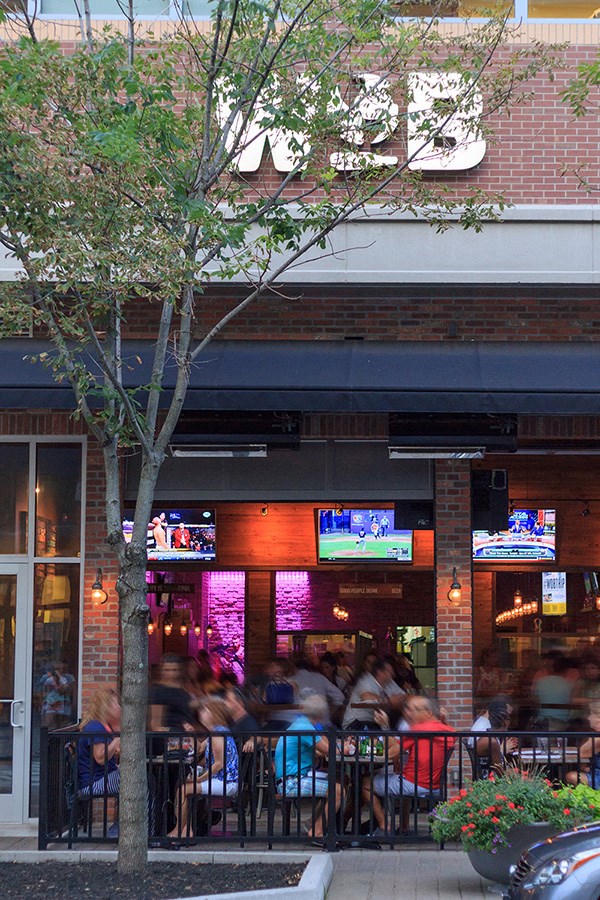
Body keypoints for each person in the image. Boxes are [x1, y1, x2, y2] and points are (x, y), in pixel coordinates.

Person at [363, 695, 456, 835]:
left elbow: (391, 753)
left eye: (413, 709)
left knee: (365, 782)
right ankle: (404, 826)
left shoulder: (419, 730)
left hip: (414, 784)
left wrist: (384, 726)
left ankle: (384, 826)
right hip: (436, 785)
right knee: (399, 775)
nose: (407, 713)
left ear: (428, 713)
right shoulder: (447, 730)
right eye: (407, 709)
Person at [274, 691, 351, 841]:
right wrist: (347, 747)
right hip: (291, 782)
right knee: (336, 790)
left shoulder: (303, 724)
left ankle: (313, 823)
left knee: (342, 778)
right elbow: (329, 750)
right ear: (322, 714)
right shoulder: (306, 728)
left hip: (293, 776)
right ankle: (317, 831)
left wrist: (343, 745)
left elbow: (324, 747)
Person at [168, 696, 239, 839]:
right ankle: (186, 829)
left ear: (214, 713)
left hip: (226, 782)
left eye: (205, 711)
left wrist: (199, 779)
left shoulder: (218, 733)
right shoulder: (215, 732)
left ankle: (179, 830)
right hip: (221, 779)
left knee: (183, 790)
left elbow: (219, 764)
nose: (201, 714)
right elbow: (199, 749)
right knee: (183, 788)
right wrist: (191, 734)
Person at [77, 687, 121, 798]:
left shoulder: (103, 726)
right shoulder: (96, 727)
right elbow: (100, 758)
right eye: (116, 704)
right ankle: (146, 815)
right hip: (94, 783)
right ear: (106, 707)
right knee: (140, 779)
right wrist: (117, 740)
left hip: (103, 778)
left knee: (147, 779)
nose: (120, 708)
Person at [342, 659, 405, 731]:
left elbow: (405, 696)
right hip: (357, 722)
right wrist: (389, 701)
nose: (393, 674)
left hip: (375, 723)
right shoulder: (366, 681)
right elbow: (367, 698)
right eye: (389, 672)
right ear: (380, 672)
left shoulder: (390, 682)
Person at [148, 654, 196, 733]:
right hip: (170, 738)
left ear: (179, 670)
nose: (171, 673)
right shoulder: (158, 691)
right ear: (162, 670)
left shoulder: (183, 687)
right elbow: (155, 724)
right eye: (167, 670)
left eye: (174, 670)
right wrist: (174, 731)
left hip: (186, 735)